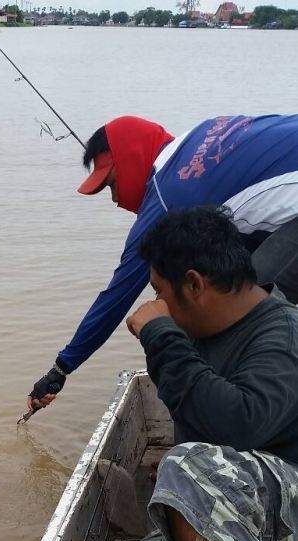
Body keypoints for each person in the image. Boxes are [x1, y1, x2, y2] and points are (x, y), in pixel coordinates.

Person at [101, 205, 298, 541]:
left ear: (194, 284)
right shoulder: (209, 331)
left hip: (287, 530)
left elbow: (234, 427)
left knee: (188, 464)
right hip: (263, 535)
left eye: (161, 292)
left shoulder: (282, 334)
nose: (154, 304)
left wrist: (162, 336)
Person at [27, 113, 298, 412]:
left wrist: (61, 368)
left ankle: (242, 418)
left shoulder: (169, 193)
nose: (115, 199)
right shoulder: (198, 136)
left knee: (240, 307)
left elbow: (116, 296)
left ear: (131, 158)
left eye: (112, 184)